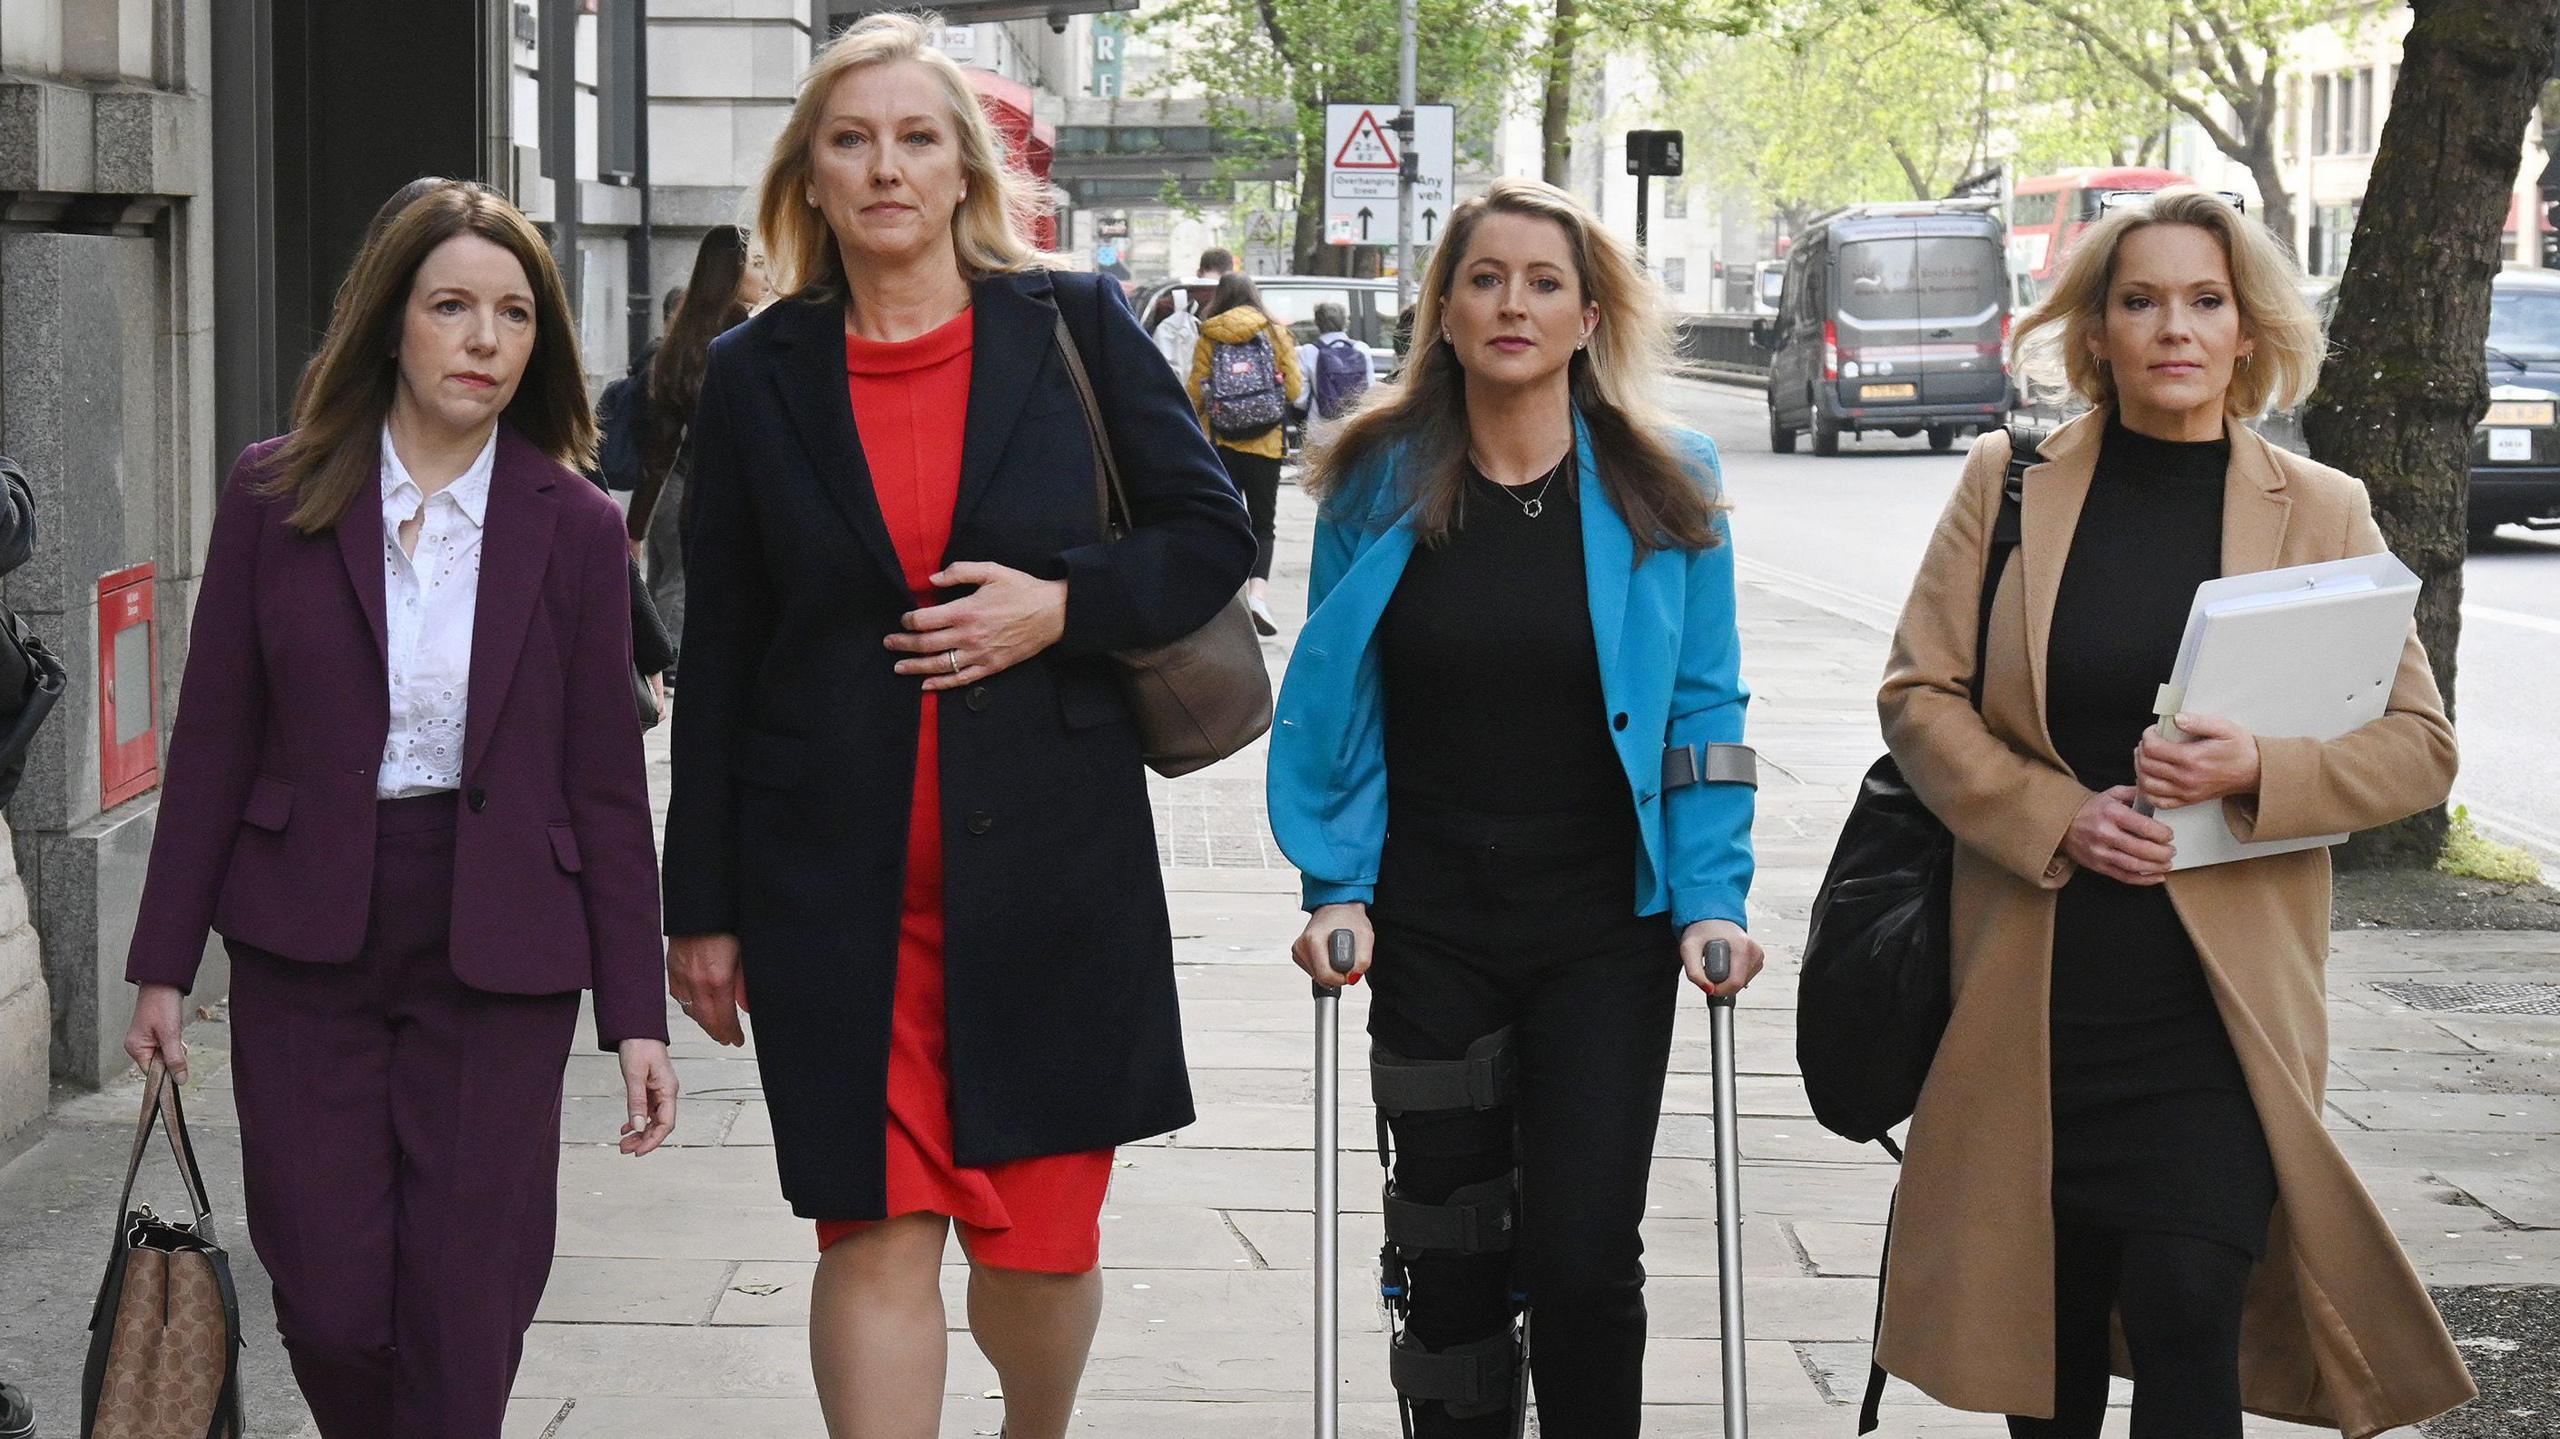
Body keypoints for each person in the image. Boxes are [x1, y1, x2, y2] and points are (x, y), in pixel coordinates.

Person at [658, 16, 1254, 1439]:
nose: (885, 167)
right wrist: (704, 903)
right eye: (850, 139)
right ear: (808, 174)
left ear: (962, 168)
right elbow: (721, 649)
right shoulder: (756, 375)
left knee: (1038, 1249)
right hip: (833, 890)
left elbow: (1208, 532)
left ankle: (1031, 1426)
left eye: (916, 138)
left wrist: (1061, 604)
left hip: (1051, 879)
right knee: (868, 1234)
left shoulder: (1071, 325)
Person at [1873, 189, 2474, 1436]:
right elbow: (1919, 697)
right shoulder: (2011, 484)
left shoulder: (2321, 508)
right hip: (2035, 988)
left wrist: (2260, 764)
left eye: (2204, 301)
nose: (2173, 329)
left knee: (2188, 1297)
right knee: (2044, 1351)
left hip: (2220, 1006)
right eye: (2138, 301)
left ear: (2246, 328)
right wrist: (2055, 815)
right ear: (2093, 329)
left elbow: (2418, 749)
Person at [118, 180, 677, 1439]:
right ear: (390, 322)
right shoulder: (277, 494)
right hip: (306, 936)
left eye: (513, 313)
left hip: (501, 944)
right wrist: (162, 962)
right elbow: (211, 740)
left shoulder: (579, 526)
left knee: (466, 1300)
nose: (484, 338)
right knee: (326, 1299)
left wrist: (634, 1013)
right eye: (451, 306)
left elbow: (603, 780)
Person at [1266, 177, 1764, 1439]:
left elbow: (1704, 715)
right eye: (1484, 278)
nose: (1511, 304)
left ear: (1589, 315)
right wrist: (1336, 885)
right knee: (1450, 1256)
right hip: (1430, 923)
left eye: (1543, 282)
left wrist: (1713, 896)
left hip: (1604, 924)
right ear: (1443, 308)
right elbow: (1340, 698)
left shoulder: (1668, 481)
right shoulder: (1376, 475)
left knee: (1587, 1251)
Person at [629, 225, 762, 666]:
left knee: (664, 580)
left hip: (677, 491)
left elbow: (659, 447)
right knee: (682, 589)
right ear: (736, 269)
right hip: (719, 493)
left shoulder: (682, 336)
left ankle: (652, 661)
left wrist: (636, 525)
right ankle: (660, 661)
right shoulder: (742, 334)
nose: (766, 274)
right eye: (758, 264)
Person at [1188, 271, 1303, 636]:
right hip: (1266, 444)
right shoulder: (1274, 331)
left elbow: (1194, 391)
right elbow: (1296, 388)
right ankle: (1257, 596)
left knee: (1226, 520)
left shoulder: (1210, 333)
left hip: (1222, 443)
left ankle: (1224, 600)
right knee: (1263, 523)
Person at [1294, 299, 1375, 454]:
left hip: (1319, 430)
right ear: (1345, 321)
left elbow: (1300, 400)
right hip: (1353, 429)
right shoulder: (1362, 349)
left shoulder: (1309, 351)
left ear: (1317, 323)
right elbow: (1370, 392)